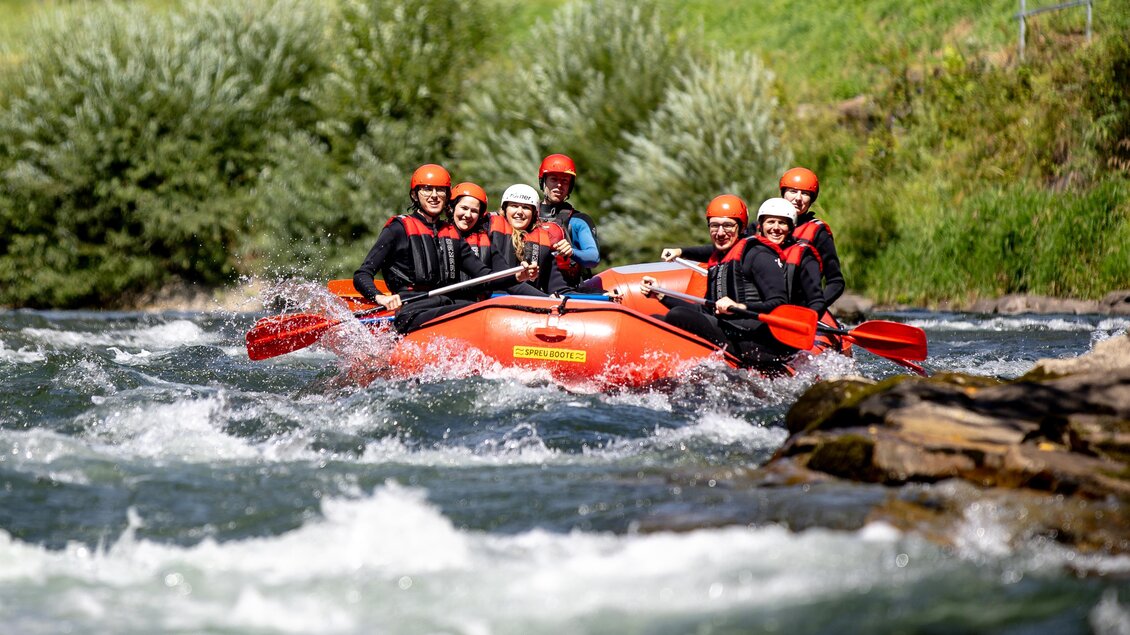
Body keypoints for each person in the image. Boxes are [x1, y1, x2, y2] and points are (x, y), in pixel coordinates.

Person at [353, 164, 536, 333]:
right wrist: (380, 297)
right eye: (427, 189)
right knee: (473, 312)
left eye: (440, 190)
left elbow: (483, 276)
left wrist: (517, 276)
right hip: (412, 312)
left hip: (444, 306)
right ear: (415, 195)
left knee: (479, 307)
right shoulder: (397, 229)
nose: (434, 195)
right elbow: (362, 274)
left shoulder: (450, 234)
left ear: (447, 196)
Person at [640, 195, 796, 368]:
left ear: (741, 227)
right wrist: (661, 295)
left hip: (754, 340)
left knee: (678, 315)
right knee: (654, 320)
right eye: (715, 226)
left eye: (728, 225)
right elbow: (706, 310)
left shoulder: (758, 255)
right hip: (729, 330)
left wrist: (741, 307)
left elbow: (779, 304)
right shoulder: (719, 262)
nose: (720, 232)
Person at [779, 167, 845, 307]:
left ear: (811, 199)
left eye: (805, 193)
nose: (798, 198)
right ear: (783, 194)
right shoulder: (763, 228)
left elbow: (836, 282)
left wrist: (815, 308)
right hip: (765, 308)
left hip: (802, 308)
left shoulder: (819, 233)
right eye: (792, 191)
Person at [490, 184, 571, 296]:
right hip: (493, 303)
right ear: (504, 209)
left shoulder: (542, 241)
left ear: (534, 213)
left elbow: (559, 289)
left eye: (526, 207)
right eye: (514, 206)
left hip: (528, 306)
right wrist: (545, 298)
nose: (519, 212)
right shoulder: (488, 233)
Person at [536, 153, 600, 285]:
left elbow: (594, 257)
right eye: (554, 179)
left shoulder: (578, 220)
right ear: (543, 182)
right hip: (532, 286)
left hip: (569, 288)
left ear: (570, 186)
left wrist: (571, 252)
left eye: (565, 180)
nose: (559, 185)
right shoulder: (528, 216)